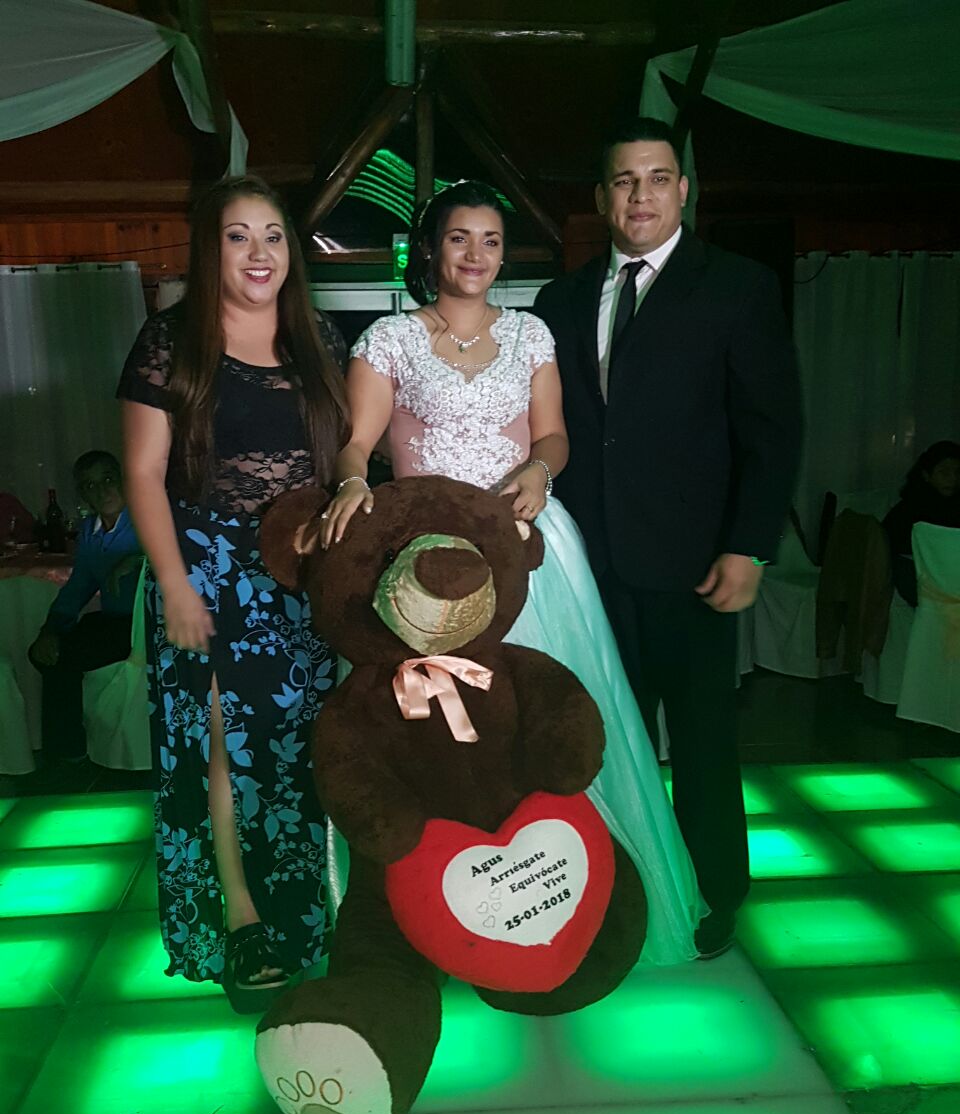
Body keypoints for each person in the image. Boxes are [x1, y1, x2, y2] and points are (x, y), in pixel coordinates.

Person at [320, 179, 704, 968]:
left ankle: (565, 908)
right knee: (433, 731)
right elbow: (356, 442)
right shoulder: (389, 339)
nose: (476, 254)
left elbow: (553, 436)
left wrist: (538, 469)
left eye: (491, 241)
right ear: (432, 250)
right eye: (460, 238)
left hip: (525, 545)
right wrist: (354, 480)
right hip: (426, 555)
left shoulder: (531, 334)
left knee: (537, 718)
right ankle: (443, 927)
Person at [534, 118, 803, 958]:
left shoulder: (738, 287)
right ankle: (612, 892)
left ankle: (714, 890)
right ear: (601, 197)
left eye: (657, 178)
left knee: (701, 737)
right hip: (589, 565)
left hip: (695, 564)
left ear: (682, 190)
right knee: (596, 739)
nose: (640, 194)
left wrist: (749, 546)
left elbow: (772, 429)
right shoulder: (559, 301)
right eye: (624, 180)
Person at [118, 174, 349, 1010]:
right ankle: (240, 917)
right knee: (222, 744)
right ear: (209, 248)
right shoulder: (170, 339)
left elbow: (345, 459)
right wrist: (174, 585)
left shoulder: (320, 338)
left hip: (299, 578)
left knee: (293, 751)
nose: (259, 253)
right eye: (238, 235)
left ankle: (303, 916)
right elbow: (142, 472)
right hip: (204, 569)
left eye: (274, 235)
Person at [28, 450, 142, 763]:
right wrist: (50, 629)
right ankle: (67, 749)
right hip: (114, 622)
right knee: (45, 652)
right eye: (91, 485)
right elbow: (77, 589)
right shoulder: (91, 532)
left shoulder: (146, 518)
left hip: (147, 626)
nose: (102, 491)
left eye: (108, 479)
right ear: (83, 494)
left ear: (122, 480)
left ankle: (65, 753)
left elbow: (180, 555)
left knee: (68, 654)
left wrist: (137, 559)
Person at [883, 440, 960, 605]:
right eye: (944, 472)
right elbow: (891, 545)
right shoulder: (910, 507)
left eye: (957, 472)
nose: (953, 479)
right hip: (920, 577)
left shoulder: (955, 504)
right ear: (926, 475)